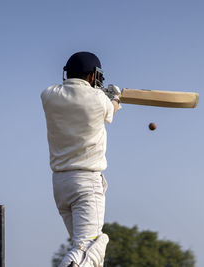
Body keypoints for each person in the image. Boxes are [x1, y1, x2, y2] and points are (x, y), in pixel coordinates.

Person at [41, 51, 121, 267]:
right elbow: (110, 110)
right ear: (93, 76)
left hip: (60, 184)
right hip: (86, 182)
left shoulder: (49, 95)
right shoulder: (99, 100)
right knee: (90, 246)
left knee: (82, 249)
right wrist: (115, 98)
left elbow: (78, 96)